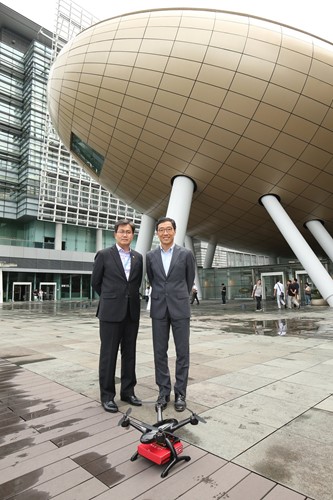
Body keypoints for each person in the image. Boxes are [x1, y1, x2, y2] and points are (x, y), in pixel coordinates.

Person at [91, 219, 143, 413]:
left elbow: (135, 284)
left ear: (132, 235)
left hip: (132, 312)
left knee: (129, 354)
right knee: (108, 355)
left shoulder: (138, 257)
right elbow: (96, 282)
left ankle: (128, 392)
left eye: (128, 232)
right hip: (110, 313)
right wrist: (111, 299)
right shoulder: (104, 255)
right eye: (121, 231)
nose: (124, 235)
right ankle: (107, 396)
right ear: (115, 234)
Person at [146, 216, 195, 412]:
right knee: (159, 352)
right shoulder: (150, 256)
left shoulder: (186, 254)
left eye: (168, 229)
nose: (165, 233)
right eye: (161, 230)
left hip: (180, 308)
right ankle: (164, 392)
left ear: (174, 231)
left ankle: (180, 393)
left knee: (182, 352)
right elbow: (152, 279)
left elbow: (188, 279)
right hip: (159, 308)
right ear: (157, 233)